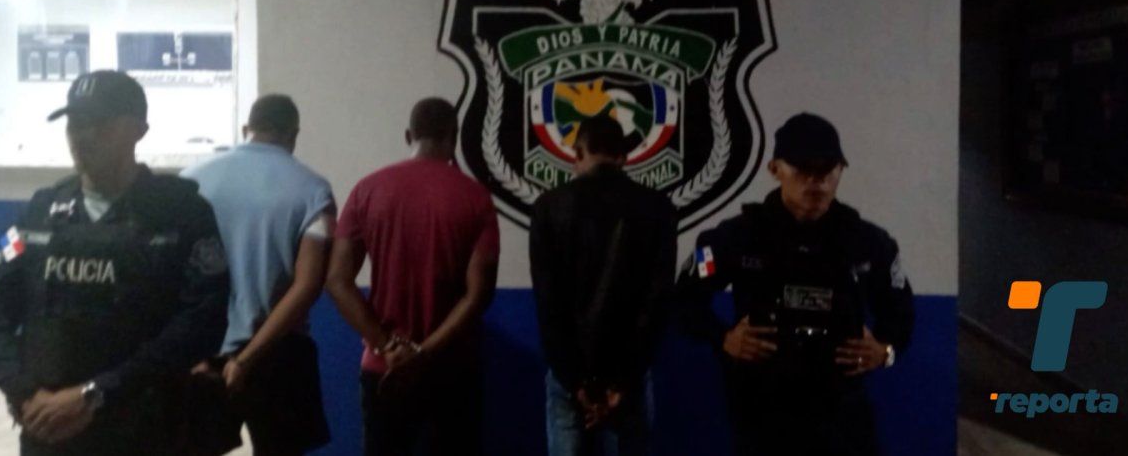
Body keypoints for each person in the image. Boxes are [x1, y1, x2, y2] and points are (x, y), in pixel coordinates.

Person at [0, 70, 230, 455]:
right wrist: (24, 392)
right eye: (75, 123)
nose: (83, 135)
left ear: (138, 130)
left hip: (142, 432)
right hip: (47, 430)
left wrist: (97, 393)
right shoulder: (41, 212)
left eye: (99, 123)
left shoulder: (181, 213)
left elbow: (202, 321)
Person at [676, 112, 914, 456]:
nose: (816, 181)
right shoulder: (735, 237)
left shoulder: (869, 243)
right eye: (803, 168)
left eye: (827, 169)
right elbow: (684, 300)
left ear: (841, 170)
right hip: (763, 410)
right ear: (775, 169)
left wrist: (885, 352)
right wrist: (723, 337)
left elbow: (901, 312)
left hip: (841, 413)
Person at [325, 97, 500, 456]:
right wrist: (422, 353)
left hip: (384, 369)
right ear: (454, 137)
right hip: (451, 367)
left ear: (409, 135)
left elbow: (337, 281)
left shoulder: (367, 190)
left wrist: (386, 346)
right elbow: (478, 294)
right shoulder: (476, 198)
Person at [182, 94, 334, 455]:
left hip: (202, 351)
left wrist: (188, 354)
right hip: (279, 353)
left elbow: (170, 276)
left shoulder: (191, 180)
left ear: (245, 129)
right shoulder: (314, 191)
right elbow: (308, 285)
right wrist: (246, 359)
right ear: (293, 135)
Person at [529, 114, 677, 456]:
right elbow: (656, 302)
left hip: (569, 377)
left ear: (577, 154)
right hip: (628, 377)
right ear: (623, 157)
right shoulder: (658, 209)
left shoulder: (549, 207)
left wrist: (575, 382)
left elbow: (548, 303)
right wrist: (622, 382)